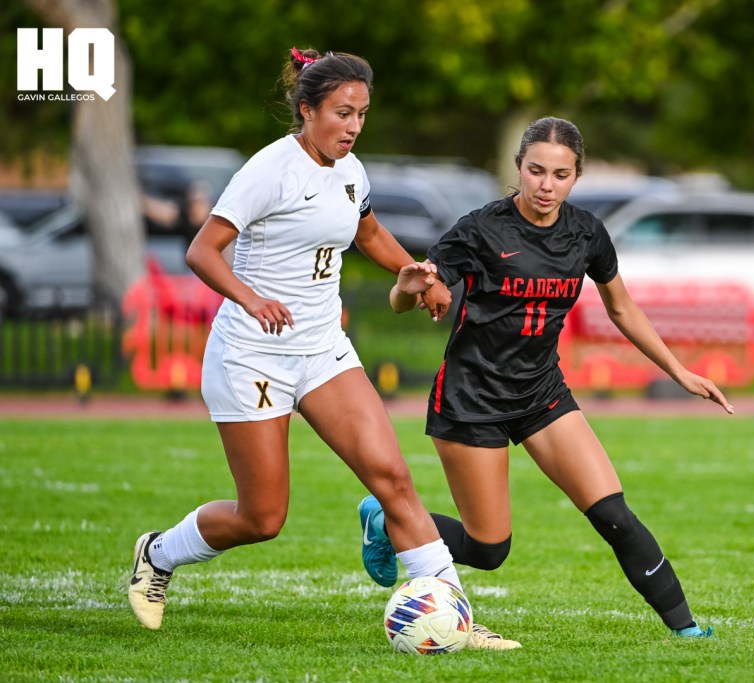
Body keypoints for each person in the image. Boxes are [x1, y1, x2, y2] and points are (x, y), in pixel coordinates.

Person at [127, 47, 514, 650]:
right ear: (307, 110)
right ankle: (157, 552)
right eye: (342, 112)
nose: (354, 126)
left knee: (392, 477)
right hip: (252, 355)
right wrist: (251, 298)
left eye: (361, 113)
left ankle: (455, 618)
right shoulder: (269, 170)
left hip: (322, 349)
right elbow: (202, 251)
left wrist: (419, 275)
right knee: (263, 517)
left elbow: (368, 232)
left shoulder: (351, 169)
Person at [380, 116, 734, 641]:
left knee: (613, 513)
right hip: (471, 398)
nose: (547, 185)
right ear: (518, 169)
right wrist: (409, 287)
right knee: (489, 549)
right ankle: (387, 520)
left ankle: (687, 631)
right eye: (536, 171)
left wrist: (679, 371)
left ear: (576, 176)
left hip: (542, 393)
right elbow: (407, 299)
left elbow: (623, 309)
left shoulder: (587, 232)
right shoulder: (481, 228)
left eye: (561, 175)